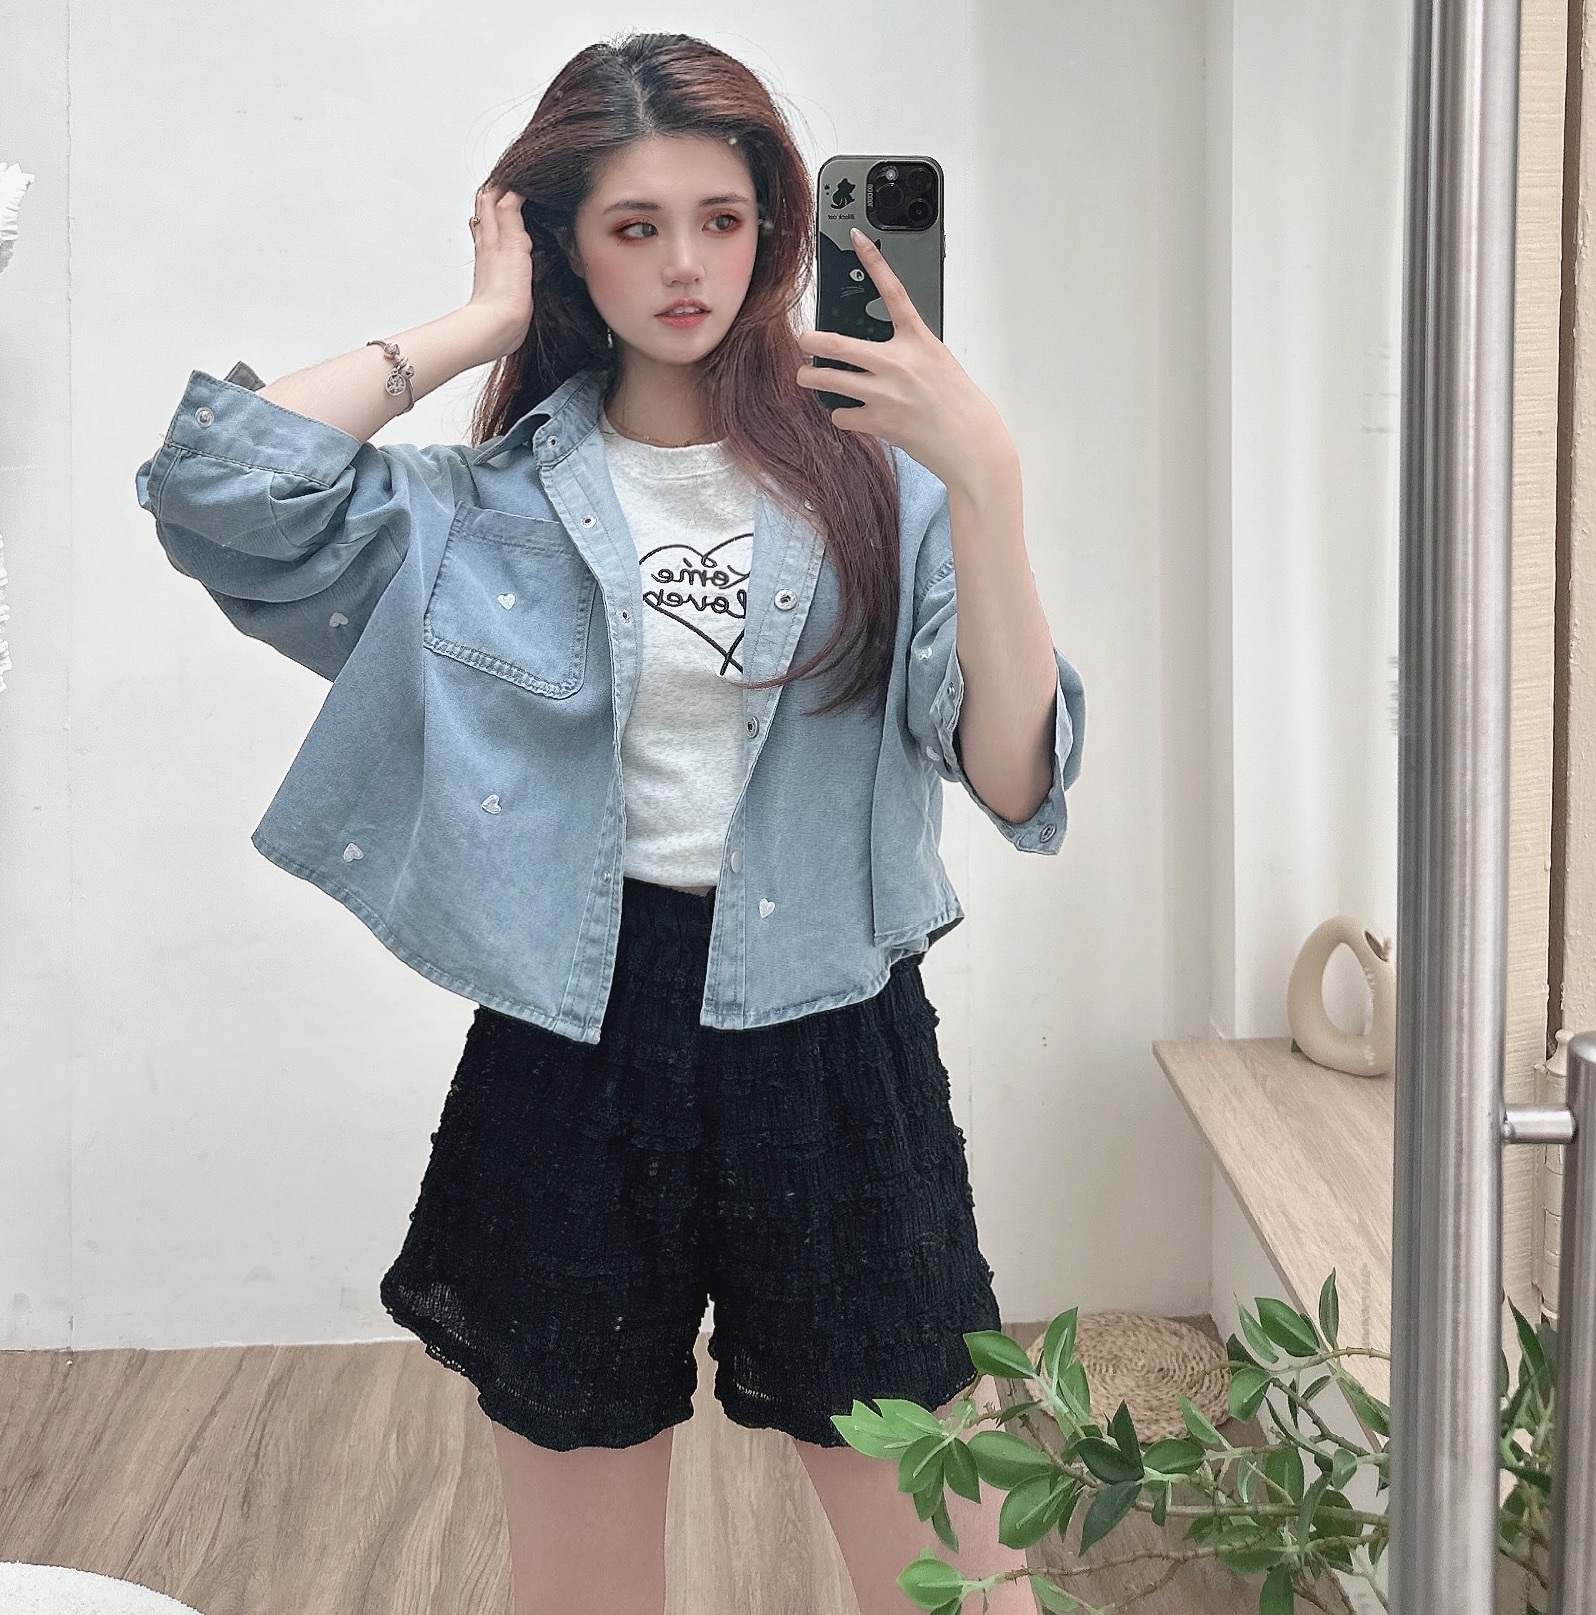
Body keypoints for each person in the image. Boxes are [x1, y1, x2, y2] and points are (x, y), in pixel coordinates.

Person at [134, 30, 1084, 1615]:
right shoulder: (484, 508)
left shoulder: (889, 483)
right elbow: (211, 489)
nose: (685, 266)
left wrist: (983, 476)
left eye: (720, 219)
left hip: (829, 1031)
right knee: (579, 1579)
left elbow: (1010, 775)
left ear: (775, 231)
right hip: (571, 1035)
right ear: (567, 243)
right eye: (635, 226)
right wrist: (477, 323)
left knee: (952, 1576)